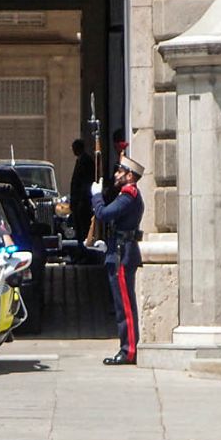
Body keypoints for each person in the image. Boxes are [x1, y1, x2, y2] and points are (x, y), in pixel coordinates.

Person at [91, 153, 145, 366]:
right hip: (119, 249)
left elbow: (103, 213)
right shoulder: (126, 196)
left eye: (120, 171)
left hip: (122, 253)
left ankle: (129, 350)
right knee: (122, 303)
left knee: (125, 305)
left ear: (130, 176)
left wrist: (96, 196)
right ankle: (127, 347)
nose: (116, 175)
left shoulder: (128, 196)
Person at [69, 139, 94, 247]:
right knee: (78, 229)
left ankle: (85, 251)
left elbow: (85, 182)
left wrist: (81, 201)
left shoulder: (86, 161)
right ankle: (81, 251)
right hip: (77, 201)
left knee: (83, 228)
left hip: (82, 202)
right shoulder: (80, 160)